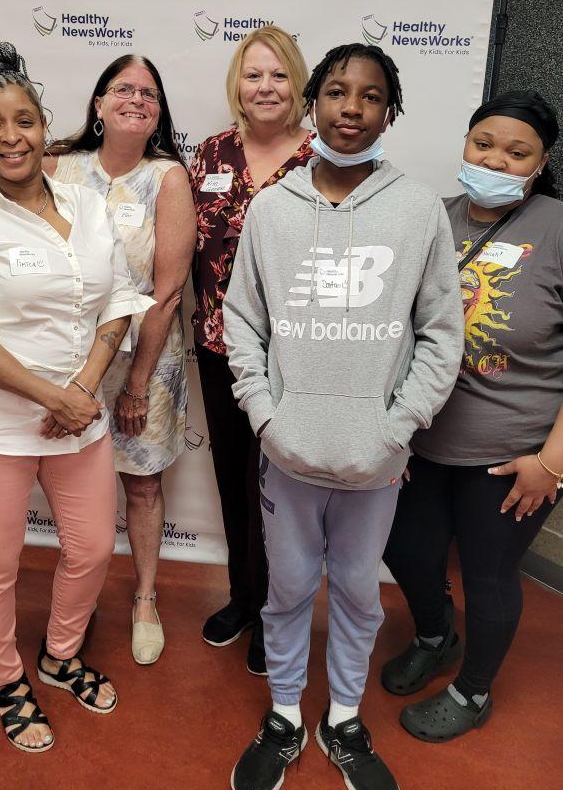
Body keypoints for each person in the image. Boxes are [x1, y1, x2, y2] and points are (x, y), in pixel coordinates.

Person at [223, 43, 464, 790]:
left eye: (368, 96)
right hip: (288, 454)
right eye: (334, 92)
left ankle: (345, 717)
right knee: (288, 590)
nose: (350, 109)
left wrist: (396, 427)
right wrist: (267, 418)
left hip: (376, 461)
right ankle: (288, 712)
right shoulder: (272, 208)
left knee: (360, 595)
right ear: (312, 103)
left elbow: (441, 333)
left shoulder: (418, 209)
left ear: (389, 110)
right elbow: (242, 323)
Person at [0, 41, 153, 753]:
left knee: (87, 549)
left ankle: (58, 655)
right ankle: (6, 679)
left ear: (43, 122)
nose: (11, 137)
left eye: (23, 121)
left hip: (77, 421)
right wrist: (51, 394)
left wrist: (80, 391)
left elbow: (118, 301)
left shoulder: (88, 206)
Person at [382, 90, 563, 743]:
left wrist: (551, 464)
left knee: (488, 577)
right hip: (425, 440)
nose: (496, 159)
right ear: (465, 143)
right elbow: (399, 331)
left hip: (514, 454)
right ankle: (435, 635)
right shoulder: (433, 218)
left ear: (541, 164)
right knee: (406, 548)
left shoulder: (557, 228)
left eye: (517, 153)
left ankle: (474, 689)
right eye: (484, 143)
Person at [50, 55, 196, 665]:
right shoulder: (59, 167)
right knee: (70, 489)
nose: (136, 99)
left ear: (159, 112)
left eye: (149, 93)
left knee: (141, 485)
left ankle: (143, 599)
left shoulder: (167, 178)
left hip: (145, 360)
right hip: (65, 363)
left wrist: (136, 386)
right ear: (99, 104)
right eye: (123, 89)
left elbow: (166, 292)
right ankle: (72, 604)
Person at [190, 25, 315, 676]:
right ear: (236, 85)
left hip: (297, 359)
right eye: (252, 74)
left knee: (280, 495)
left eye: (278, 74)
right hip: (219, 351)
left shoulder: (325, 161)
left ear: (298, 84)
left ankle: (279, 613)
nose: (265, 87)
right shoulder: (210, 155)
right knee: (233, 483)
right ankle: (244, 598)